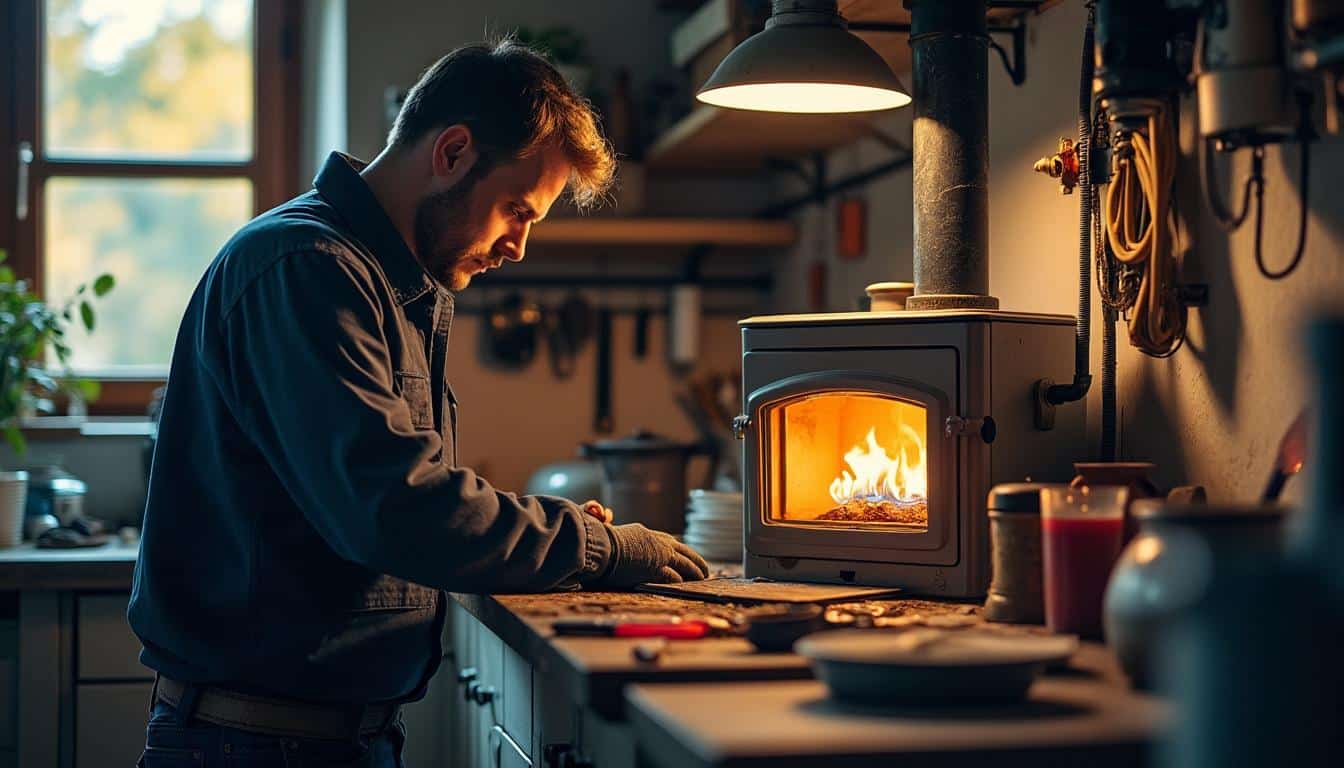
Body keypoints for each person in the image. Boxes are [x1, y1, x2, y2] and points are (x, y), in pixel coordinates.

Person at [128, 40, 709, 767]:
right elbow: (395, 509)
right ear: (454, 151)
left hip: (325, 738)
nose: (519, 247)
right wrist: (598, 548)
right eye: (516, 210)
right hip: (254, 744)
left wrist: (540, 533)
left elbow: (400, 488)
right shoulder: (308, 268)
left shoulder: (386, 284)